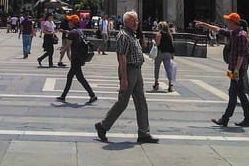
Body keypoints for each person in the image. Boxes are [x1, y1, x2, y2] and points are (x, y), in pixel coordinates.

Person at [94, 10, 158, 144]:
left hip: (137, 70)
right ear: (126, 22)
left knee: (141, 101)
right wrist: (124, 78)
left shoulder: (132, 34)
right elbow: (121, 57)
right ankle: (103, 126)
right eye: (133, 20)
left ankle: (143, 132)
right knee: (123, 102)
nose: (136, 23)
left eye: (137, 20)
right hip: (128, 70)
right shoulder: (123, 35)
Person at [195, 12, 249, 128]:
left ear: (233, 22)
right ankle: (248, 119)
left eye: (229, 21)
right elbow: (218, 29)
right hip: (232, 69)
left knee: (233, 93)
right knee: (240, 94)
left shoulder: (241, 35)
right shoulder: (233, 33)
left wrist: (237, 70)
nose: (227, 23)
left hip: (238, 70)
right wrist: (204, 25)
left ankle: (225, 119)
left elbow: (241, 55)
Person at [57, 14, 97, 104]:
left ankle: (92, 95)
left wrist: (62, 49)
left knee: (78, 77)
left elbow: (68, 45)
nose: (68, 22)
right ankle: (63, 96)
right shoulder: (79, 31)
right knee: (75, 77)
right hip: (80, 57)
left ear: (73, 22)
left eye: (70, 21)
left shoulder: (72, 33)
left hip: (76, 58)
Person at [152, 21, 176, 92]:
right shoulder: (170, 35)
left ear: (160, 27)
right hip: (168, 53)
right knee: (168, 69)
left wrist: (154, 42)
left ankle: (156, 82)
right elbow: (171, 45)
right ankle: (170, 83)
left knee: (157, 68)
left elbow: (158, 44)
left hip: (160, 52)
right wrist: (172, 54)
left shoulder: (159, 34)